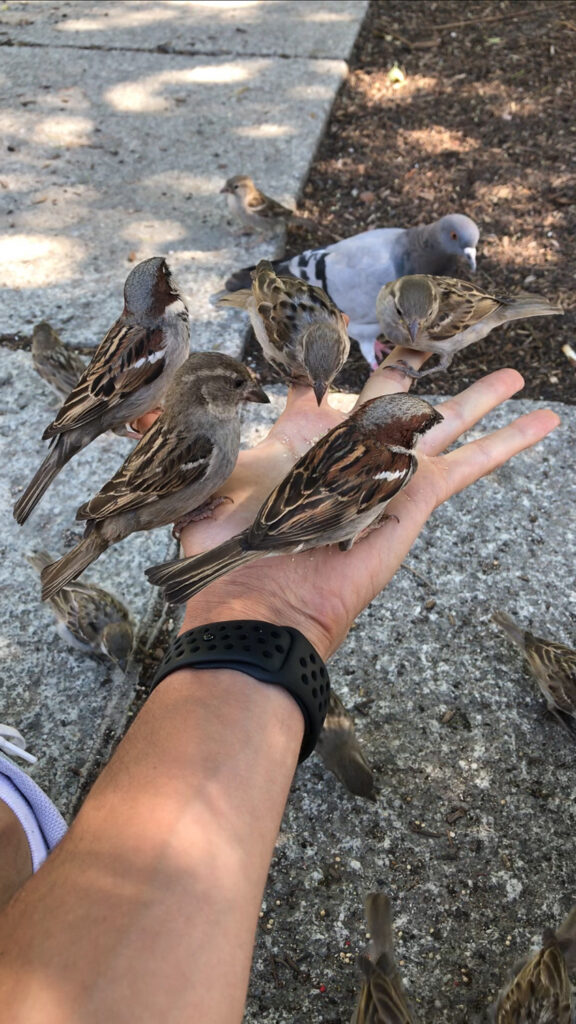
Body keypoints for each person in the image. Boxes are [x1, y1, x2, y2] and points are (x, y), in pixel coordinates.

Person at [0, 348, 560, 1023]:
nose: (417, 436)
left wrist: (255, 602)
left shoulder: (345, 442)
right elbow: (335, 509)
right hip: (306, 532)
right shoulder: (393, 463)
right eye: (414, 430)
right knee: (363, 516)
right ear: (403, 438)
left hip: (273, 526)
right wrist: (311, 560)